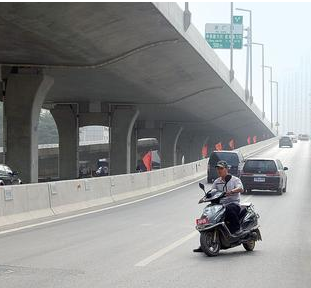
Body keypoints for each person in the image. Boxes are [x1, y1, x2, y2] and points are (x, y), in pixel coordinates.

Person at [193, 160, 244, 253]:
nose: (219, 170)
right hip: (219, 205)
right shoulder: (217, 181)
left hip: (233, 203)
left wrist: (232, 191)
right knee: (206, 216)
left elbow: (241, 188)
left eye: (221, 168)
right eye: (218, 169)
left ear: (226, 169)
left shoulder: (234, 180)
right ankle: (205, 242)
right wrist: (204, 198)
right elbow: (212, 192)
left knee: (229, 209)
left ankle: (237, 229)